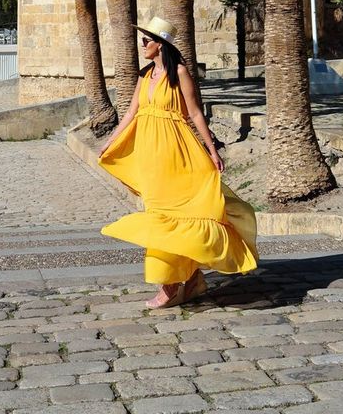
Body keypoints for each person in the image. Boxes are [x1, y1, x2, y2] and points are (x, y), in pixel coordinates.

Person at [98, 16, 258, 310]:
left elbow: (196, 114)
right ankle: (190, 279)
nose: (142, 44)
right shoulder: (144, 76)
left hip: (179, 152)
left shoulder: (180, 73)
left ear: (160, 44)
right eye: (142, 39)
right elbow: (131, 112)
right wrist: (111, 140)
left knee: (184, 216)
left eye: (147, 40)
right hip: (152, 157)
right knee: (161, 218)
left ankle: (172, 285)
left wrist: (212, 150)